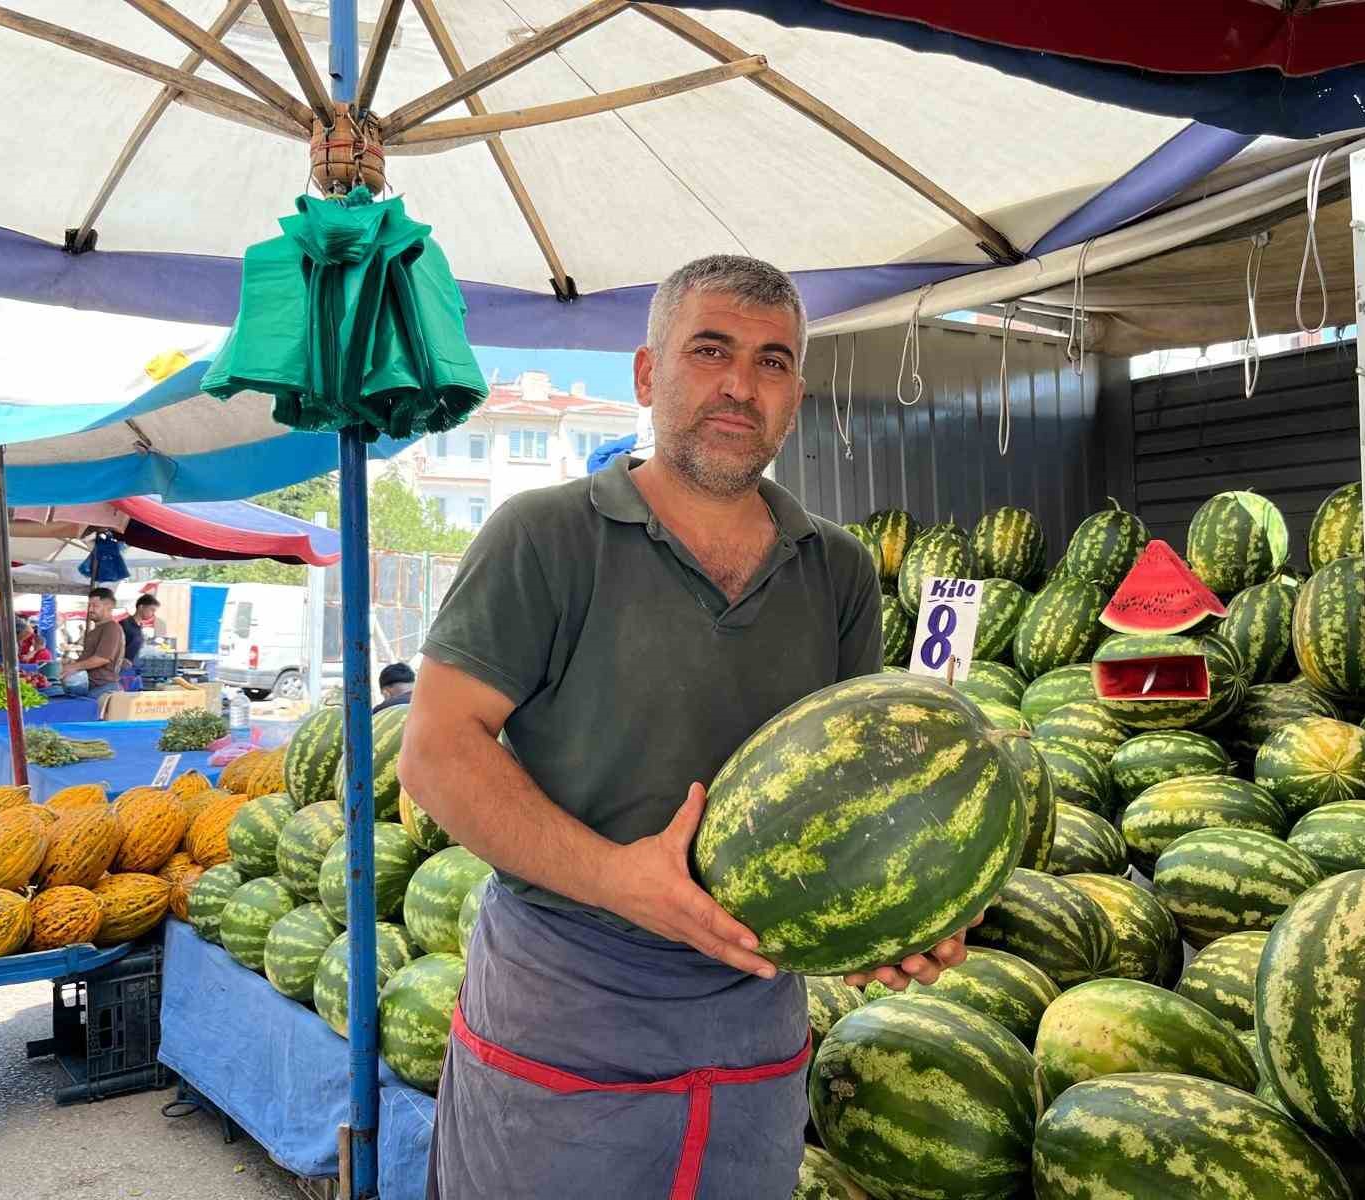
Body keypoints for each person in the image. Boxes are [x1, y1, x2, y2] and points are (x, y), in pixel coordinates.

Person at [401, 256, 974, 1199]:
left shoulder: (837, 570)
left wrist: (904, 914)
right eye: (710, 351)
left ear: (795, 396)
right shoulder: (542, 537)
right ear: (646, 374)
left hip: (753, 1028)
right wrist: (621, 881)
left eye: (773, 362)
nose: (740, 386)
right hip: (568, 1014)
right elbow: (436, 752)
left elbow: (862, 795)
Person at [61, 589, 125, 701]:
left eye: (95, 606)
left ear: (109, 606)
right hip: (91, 688)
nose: (90, 609)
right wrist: (73, 662)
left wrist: (73, 667)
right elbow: (90, 658)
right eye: (89, 605)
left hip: (104, 689)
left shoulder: (111, 628)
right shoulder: (95, 630)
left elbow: (102, 658)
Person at [118, 593, 163, 665]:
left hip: (133, 669)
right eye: (152, 610)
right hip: (121, 669)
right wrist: (121, 660)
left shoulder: (140, 627)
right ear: (141, 607)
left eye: (154, 611)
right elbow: (113, 647)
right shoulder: (124, 624)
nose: (153, 614)